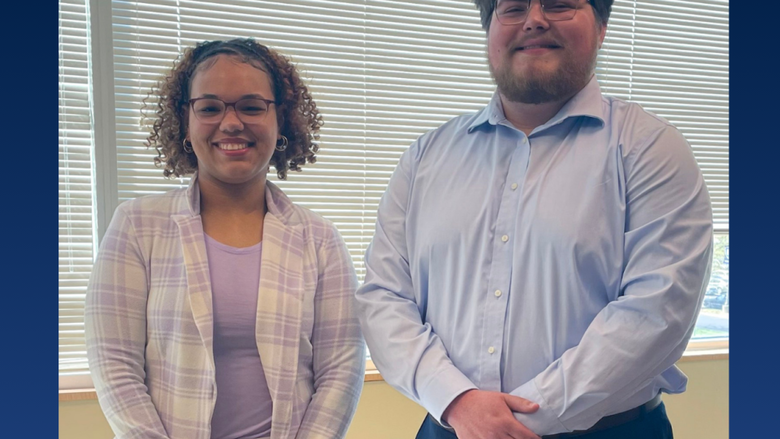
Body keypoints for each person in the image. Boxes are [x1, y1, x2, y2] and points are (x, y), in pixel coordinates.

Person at [355, 1, 713, 438]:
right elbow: (384, 297)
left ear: (601, 26)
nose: (535, 19)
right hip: (451, 426)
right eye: (513, 7)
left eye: (560, 4)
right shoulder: (425, 158)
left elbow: (658, 310)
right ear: (489, 30)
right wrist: (456, 401)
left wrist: (514, 422)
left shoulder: (651, 149)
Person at [85, 38, 365, 439]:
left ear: (280, 119)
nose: (231, 123)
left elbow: (341, 371)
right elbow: (115, 366)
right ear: (185, 119)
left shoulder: (320, 241)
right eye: (210, 107)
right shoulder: (136, 226)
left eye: (252, 106)